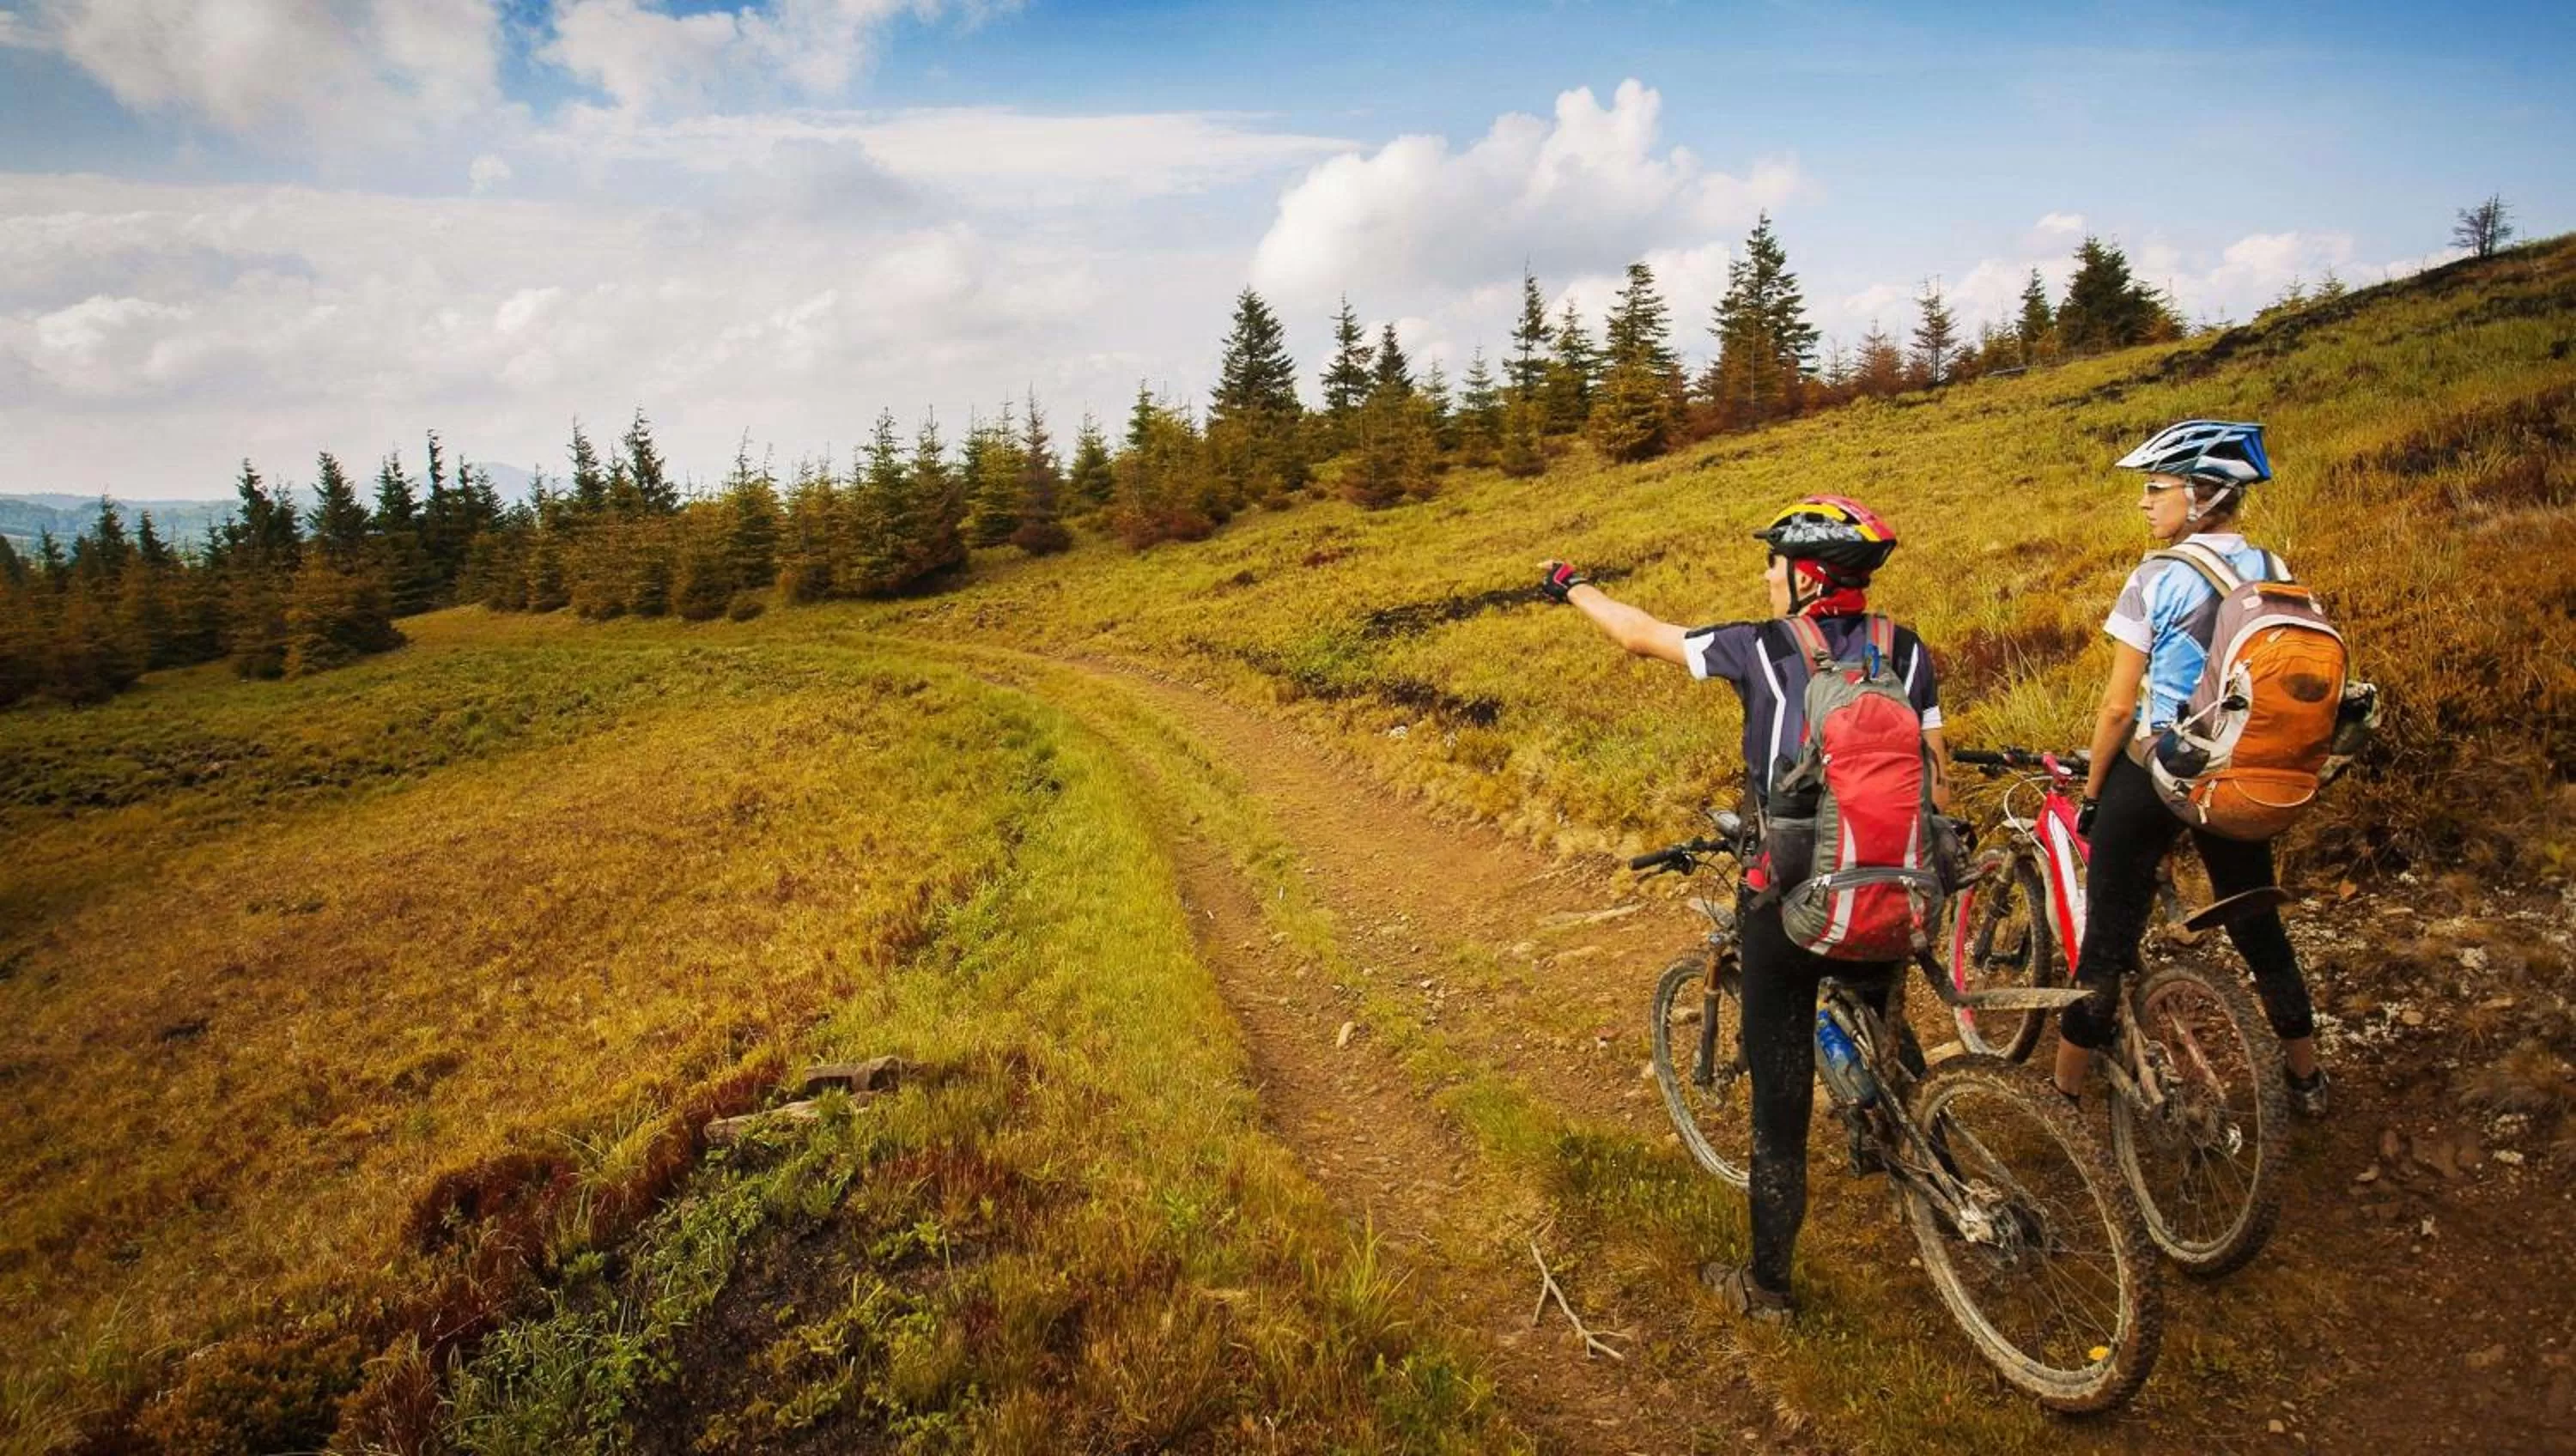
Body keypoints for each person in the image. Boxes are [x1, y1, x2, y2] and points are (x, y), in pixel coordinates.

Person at [1540, 495, 1949, 1324]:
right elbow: (1938, 774)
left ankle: (1767, 1287)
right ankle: (1936, 1160)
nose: (1765, 577)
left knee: (1781, 1101)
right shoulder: (1906, 653)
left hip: (1787, 902)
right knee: (1887, 1022)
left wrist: (1572, 587)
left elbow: (1637, 633)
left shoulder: (1758, 650)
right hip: (1895, 886)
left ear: (1803, 577)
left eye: (1774, 564)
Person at [2050, 420, 2330, 1116]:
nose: (2145, 502)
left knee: (2107, 937)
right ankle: (2307, 1079)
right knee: (2257, 923)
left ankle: (2062, 1096)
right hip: (2243, 770)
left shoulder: (2156, 576)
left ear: (2202, 496)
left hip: (2161, 768)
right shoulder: (2275, 568)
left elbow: (2119, 710)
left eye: (2157, 488)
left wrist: (2092, 792)